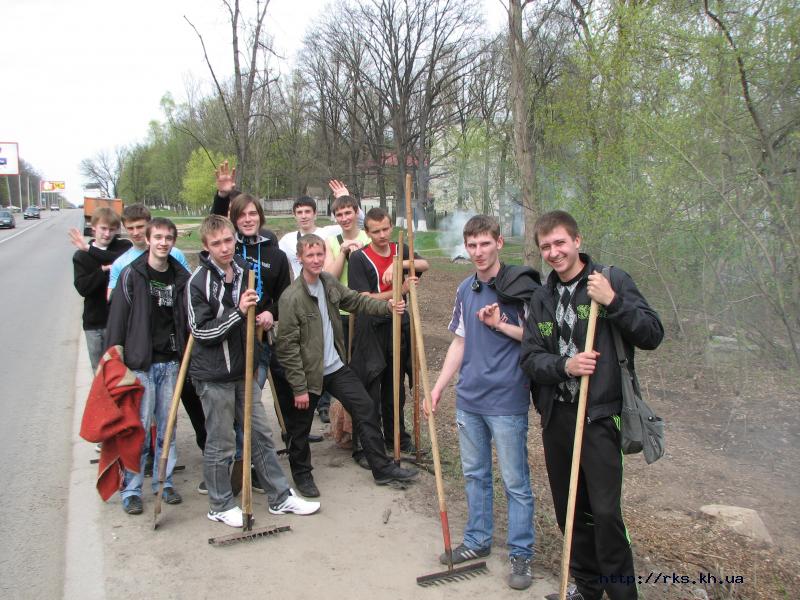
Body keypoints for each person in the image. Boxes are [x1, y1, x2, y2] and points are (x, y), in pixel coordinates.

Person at [520, 210, 664, 600]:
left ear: (577, 241)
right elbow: (530, 357)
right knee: (571, 512)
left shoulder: (609, 280)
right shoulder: (541, 297)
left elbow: (652, 334)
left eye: (560, 243)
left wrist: (613, 302)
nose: (553, 252)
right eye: (546, 246)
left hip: (600, 416)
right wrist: (564, 365)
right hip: (558, 418)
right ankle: (587, 587)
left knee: (604, 514)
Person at [187, 215, 320, 528]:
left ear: (235, 239)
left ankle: (279, 497)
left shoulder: (246, 272)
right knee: (220, 442)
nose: (224, 247)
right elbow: (201, 331)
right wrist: (239, 313)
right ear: (206, 247)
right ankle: (219, 504)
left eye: (228, 240)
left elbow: (256, 310)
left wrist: (262, 315)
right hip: (213, 375)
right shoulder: (198, 282)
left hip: (243, 371)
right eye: (216, 243)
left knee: (260, 435)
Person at [429, 215, 539, 591]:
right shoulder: (465, 289)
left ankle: (521, 553)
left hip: (507, 400)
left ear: (499, 243)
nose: (478, 252)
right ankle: (477, 540)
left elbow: (536, 339)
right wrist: (439, 387)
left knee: (515, 482)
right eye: (472, 245)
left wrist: (499, 324)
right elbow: (459, 342)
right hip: (469, 399)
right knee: (475, 475)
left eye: (484, 244)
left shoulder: (519, 287)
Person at [275, 234, 418, 495]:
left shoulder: (328, 282)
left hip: (335, 367)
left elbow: (356, 301)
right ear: (300, 258)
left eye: (320, 254)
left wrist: (386, 307)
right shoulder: (291, 298)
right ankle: (302, 474)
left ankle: (382, 468)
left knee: (365, 406)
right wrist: (298, 388)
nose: (316, 260)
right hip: (309, 375)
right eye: (310, 255)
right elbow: (287, 348)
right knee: (300, 427)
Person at [105, 217, 190, 515]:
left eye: (169, 238)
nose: (163, 242)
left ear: (173, 241)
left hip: (169, 362)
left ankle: (163, 484)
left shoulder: (180, 277)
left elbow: (186, 320)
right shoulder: (132, 275)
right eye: (158, 237)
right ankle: (131, 488)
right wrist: (115, 359)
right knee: (138, 429)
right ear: (149, 239)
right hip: (140, 363)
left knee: (168, 426)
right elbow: (117, 319)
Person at [348, 207, 429, 455]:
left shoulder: (399, 248)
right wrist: (400, 290)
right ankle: (367, 443)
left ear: (391, 225)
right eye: (376, 231)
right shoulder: (359, 259)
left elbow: (424, 264)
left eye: (385, 228)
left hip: (398, 325)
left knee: (396, 387)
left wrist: (400, 264)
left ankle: (398, 438)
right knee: (371, 385)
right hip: (371, 327)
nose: (382, 235)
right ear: (367, 232)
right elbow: (363, 298)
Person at [321, 191, 370, 424]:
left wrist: (360, 253)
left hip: (365, 311)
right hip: (340, 313)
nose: (344, 217)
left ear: (356, 212)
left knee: (363, 367)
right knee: (344, 369)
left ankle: (366, 416)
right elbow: (330, 276)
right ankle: (346, 423)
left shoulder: (368, 238)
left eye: (348, 212)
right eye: (339, 214)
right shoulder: (332, 242)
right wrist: (342, 251)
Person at [70, 207, 132, 371]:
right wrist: (103, 270)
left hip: (119, 321)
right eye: (103, 228)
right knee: (100, 373)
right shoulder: (81, 256)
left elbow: (122, 259)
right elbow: (83, 288)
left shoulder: (123, 246)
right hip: (94, 323)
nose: (107, 234)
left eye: (112, 229)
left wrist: (89, 248)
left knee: (121, 371)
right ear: (94, 228)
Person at [107, 204, 190, 299]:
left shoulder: (175, 254)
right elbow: (112, 299)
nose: (135, 233)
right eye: (130, 228)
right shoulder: (120, 264)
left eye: (140, 227)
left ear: (150, 224)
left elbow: (188, 287)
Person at [278, 196, 337, 280]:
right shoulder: (287, 240)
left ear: (315, 213)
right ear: (294, 215)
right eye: (299, 212)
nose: (303, 216)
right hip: (301, 290)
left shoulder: (329, 232)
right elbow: (272, 255)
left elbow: (359, 224)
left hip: (326, 288)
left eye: (307, 211)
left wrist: (344, 197)